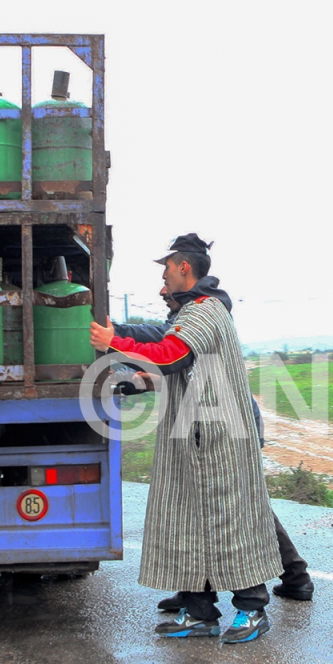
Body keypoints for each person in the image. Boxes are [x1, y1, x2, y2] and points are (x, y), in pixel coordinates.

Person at [90, 233, 282, 643]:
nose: (163, 276)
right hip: (193, 437)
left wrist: (113, 344)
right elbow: (175, 364)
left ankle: (252, 609)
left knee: (230, 525)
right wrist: (140, 379)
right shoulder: (189, 313)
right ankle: (199, 613)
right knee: (190, 525)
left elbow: (171, 356)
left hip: (217, 439)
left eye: (166, 267)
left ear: (183, 267)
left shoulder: (205, 310)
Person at [114, 284, 315, 609]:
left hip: (227, 426)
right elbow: (172, 373)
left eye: (169, 289)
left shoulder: (199, 317)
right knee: (224, 505)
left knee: (242, 507)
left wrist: (109, 331)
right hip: (220, 422)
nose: (163, 291)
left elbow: (159, 344)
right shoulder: (191, 317)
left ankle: (294, 575)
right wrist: (132, 383)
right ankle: (198, 588)